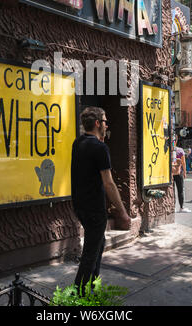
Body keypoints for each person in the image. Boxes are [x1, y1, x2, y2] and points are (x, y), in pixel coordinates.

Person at [71, 107, 131, 293]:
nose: (107, 124)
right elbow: (109, 183)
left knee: (98, 244)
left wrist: (100, 141)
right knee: (90, 253)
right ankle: (78, 295)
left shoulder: (78, 142)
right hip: (95, 209)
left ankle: (92, 287)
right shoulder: (100, 148)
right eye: (105, 121)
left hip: (80, 206)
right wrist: (122, 212)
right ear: (97, 123)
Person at [172, 137, 191, 213]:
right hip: (179, 173)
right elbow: (183, 162)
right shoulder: (180, 150)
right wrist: (185, 172)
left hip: (170, 173)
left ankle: (172, 207)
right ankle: (181, 207)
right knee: (180, 190)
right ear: (176, 141)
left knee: (172, 191)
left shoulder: (167, 150)